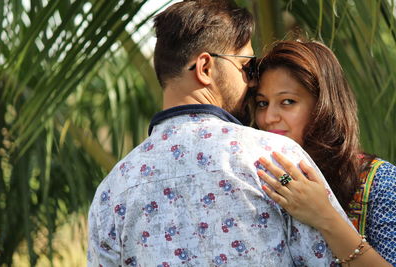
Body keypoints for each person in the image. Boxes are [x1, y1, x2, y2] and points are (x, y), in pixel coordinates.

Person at [87, 1, 350, 266]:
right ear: (205, 68)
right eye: (247, 67)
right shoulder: (276, 159)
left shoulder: (113, 190)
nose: (253, 81)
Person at [254, 40, 395, 266]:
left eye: (287, 102)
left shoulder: (379, 182)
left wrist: (325, 215)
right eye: (262, 103)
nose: (269, 117)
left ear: (323, 106)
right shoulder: (259, 177)